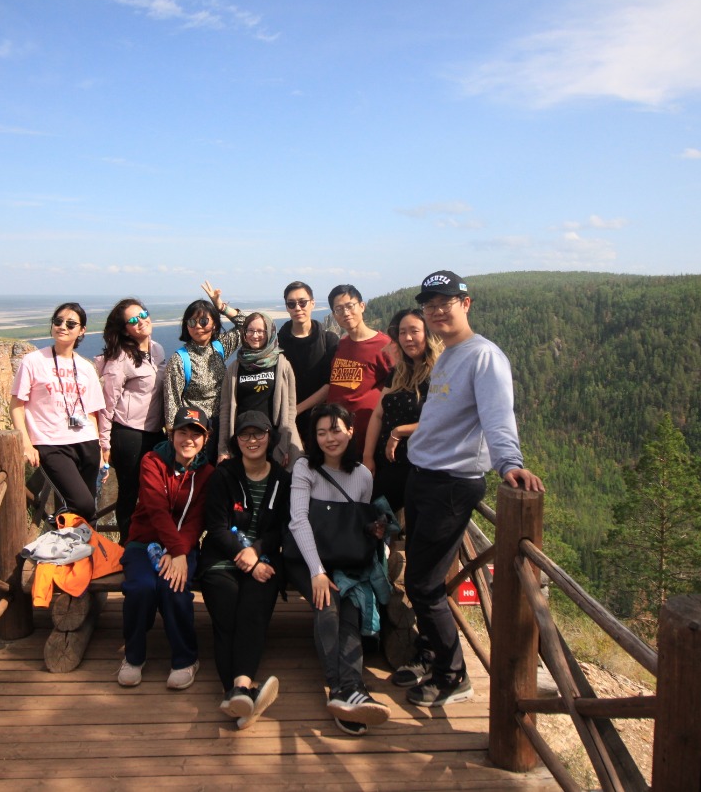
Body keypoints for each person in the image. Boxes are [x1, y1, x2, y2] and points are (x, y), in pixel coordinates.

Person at [394, 270, 545, 708]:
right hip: (423, 476)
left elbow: (498, 415)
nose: (436, 311)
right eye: (430, 305)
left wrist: (509, 463)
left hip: (451, 484)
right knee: (422, 576)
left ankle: (453, 675)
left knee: (424, 584)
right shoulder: (448, 355)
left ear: (466, 303)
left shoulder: (484, 356)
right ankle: (431, 654)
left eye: (446, 302)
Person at [285, 403, 394, 736]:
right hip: (306, 559)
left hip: (344, 560)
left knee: (350, 607)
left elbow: (356, 522)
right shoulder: (305, 468)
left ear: (350, 431)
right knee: (328, 604)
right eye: (321, 433)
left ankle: (350, 688)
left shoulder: (362, 475)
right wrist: (317, 571)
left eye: (335, 430)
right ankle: (341, 688)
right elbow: (298, 520)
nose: (329, 438)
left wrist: (376, 531)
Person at [199, 411, 290, 730]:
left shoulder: (281, 478)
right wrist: (243, 555)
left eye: (259, 433)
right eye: (245, 435)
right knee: (226, 614)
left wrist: (256, 552)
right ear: (236, 440)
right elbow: (216, 527)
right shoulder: (224, 475)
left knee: (252, 611)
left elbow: (280, 529)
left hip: (263, 561)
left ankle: (238, 689)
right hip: (222, 559)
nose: (252, 440)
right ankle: (241, 693)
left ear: (270, 437)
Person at [118, 407, 215, 690]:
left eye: (196, 434)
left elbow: (197, 520)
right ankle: (133, 656)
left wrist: (180, 552)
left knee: (174, 588)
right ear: (171, 435)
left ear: (206, 439)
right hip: (143, 542)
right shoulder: (152, 461)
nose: (189, 439)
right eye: (182, 432)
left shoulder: (207, 473)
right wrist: (177, 551)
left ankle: (185, 659)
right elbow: (156, 509)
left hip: (183, 543)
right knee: (141, 587)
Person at [10, 303, 106, 523]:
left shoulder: (85, 367)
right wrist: (26, 444)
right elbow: (16, 405)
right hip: (51, 444)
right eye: (58, 321)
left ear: (81, 330)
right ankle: (56, 522)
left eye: (71, 324)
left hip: (86, 442)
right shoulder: (33, 361)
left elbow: (91, 412)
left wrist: (99, 449)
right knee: (82, 504)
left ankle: (80, 544)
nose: (63, 326)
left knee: (88, 512)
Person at [363, 308, 442, 516]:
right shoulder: (398, 372)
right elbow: (378, 415)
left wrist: (400, 431)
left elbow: (444, 420)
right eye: (402, 332)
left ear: (428, 334)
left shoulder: (440, 374)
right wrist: (368, 456)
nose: (407, 338)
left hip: (418, 467)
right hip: (386, 465)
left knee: (410, 525)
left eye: (414, 331)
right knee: (373, 521)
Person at [98, 298, 166, 540]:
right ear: (125, 330)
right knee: (130, 492)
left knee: (155, 492)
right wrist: (104, 443)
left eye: (143, 314)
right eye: (133, 320)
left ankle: (151, 542)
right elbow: (108, 404)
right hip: (129, 433)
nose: (141, 321)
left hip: (155, 432)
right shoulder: (120, 358)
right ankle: (127, 546)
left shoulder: (157, 350)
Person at [162, 287, 245, 461]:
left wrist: (221, 307)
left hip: (222, 426)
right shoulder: (180, 359)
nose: (198, 326)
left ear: (214, 324)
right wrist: (176, 443)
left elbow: (246, 325)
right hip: (195, 431)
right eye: (192, 322)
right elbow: (172, 403)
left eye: (204, 321)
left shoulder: (219, 347)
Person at [215, 310, 303, 467]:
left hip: (275, 440)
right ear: (244, 333)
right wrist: (223, 449)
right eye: (250, 330)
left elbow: (290, 410)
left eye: (261, 331)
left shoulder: (282, 365)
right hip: (244, 441)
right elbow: (226, 410)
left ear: (269, 332)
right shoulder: (235, 367)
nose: (255, 335)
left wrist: (285, 445)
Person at [323, 285, 393, 452]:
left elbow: (399, 386)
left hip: (367, 437)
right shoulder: (341, 345)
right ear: (334, 315)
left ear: (362, 306)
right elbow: (333, 386)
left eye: (350, 306)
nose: (346, 313)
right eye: (339, 309)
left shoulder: (385, 345)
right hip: (336, 436)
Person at [277, 281, 339, 442]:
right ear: (287, 307)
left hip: (321, 422)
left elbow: (330, 384)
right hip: (285, 423)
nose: (297, 308)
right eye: (291, 304)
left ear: (312, 303)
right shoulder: (277, 344)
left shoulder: (329, 341)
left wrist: (296, 411)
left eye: (302, 302)